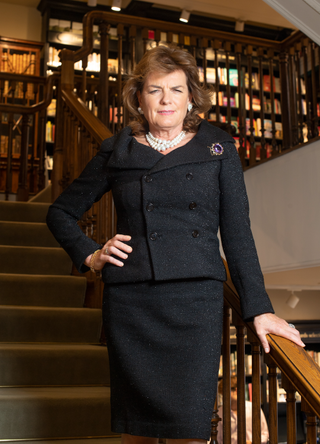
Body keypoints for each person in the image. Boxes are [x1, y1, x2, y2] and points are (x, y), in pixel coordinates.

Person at [46, 45, 304, 444]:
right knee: (138, 431)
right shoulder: (117, 150)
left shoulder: (218, 149)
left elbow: (237, 233)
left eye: (176, 90)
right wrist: (92, 254)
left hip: (194, 305)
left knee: (191, 428)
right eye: (154, 90)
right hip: (132, 303)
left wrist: (260, 309)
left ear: (191, 99)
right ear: (138, 97)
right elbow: (60, 213)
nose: (166, 100)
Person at [216, 377, 269, 444]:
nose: (224, 397)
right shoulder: (219, 413)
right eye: (222, 394)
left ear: (236, 390)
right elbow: (218, 439)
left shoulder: (254, 408)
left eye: (225, 393)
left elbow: (265, 434)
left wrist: (251, 442)